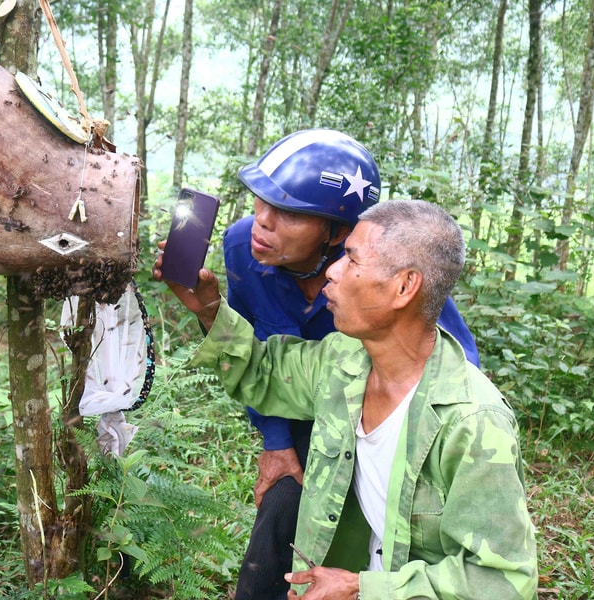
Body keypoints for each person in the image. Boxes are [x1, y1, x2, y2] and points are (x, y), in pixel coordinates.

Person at [153, 199, 538, 599]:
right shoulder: (345, 360)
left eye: (351, 260)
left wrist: (364, 589)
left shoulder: (472, 423)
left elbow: (501, 582)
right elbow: (263, 371)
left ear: (404, 286)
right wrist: (211, 308)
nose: (332, 273)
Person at [222, 129, 480, 599]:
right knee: (281, 516)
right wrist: (276, 443)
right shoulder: (244, 247)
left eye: (288, 213)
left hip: (386, 414)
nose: (262, 221)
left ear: (337, 233)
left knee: (384, 538)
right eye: (258, 201)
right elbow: (262, 363)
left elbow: (453, 361)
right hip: (306, 404)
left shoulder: (380, 269)